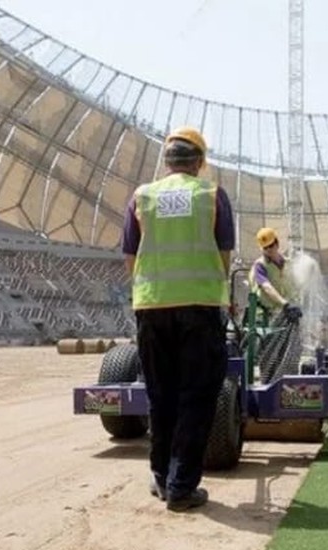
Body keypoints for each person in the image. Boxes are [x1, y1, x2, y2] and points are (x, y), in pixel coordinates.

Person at [121, 126, 234, 512]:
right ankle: (182, 485)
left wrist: (152, 289)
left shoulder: (142, 196)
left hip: (151, 307)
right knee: (196, 397)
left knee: (161, 395)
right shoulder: (211, 195)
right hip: (199, 308)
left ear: (166, 162)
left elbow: (130, 255)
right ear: (199, 162)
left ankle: (160, 477)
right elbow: (223, 254)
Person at [248, 227, 302, 324]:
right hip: (266, 316)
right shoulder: (260, 265)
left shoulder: (288, 263)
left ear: (277, 244)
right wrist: (285, 304)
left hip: (286, 313)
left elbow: (295, 285)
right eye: (265, 247)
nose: (268, 249)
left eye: (271, 245)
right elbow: (266, 287)